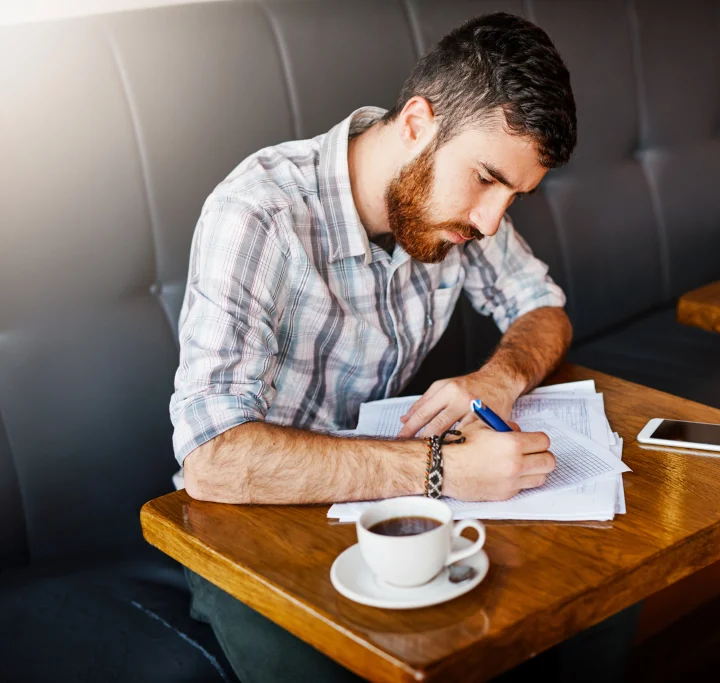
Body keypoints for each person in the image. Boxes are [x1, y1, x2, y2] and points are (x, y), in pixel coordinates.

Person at [170, 12, 639, 683]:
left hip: (389, 501)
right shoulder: (258, 214)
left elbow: (543, 309)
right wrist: (440, 470)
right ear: (417, 122)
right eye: (485, 178)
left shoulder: (461, 213)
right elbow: (212, 460)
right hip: (249, 525)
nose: (490, 220)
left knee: (606, 589)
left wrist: (498, 380)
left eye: (514, 195)